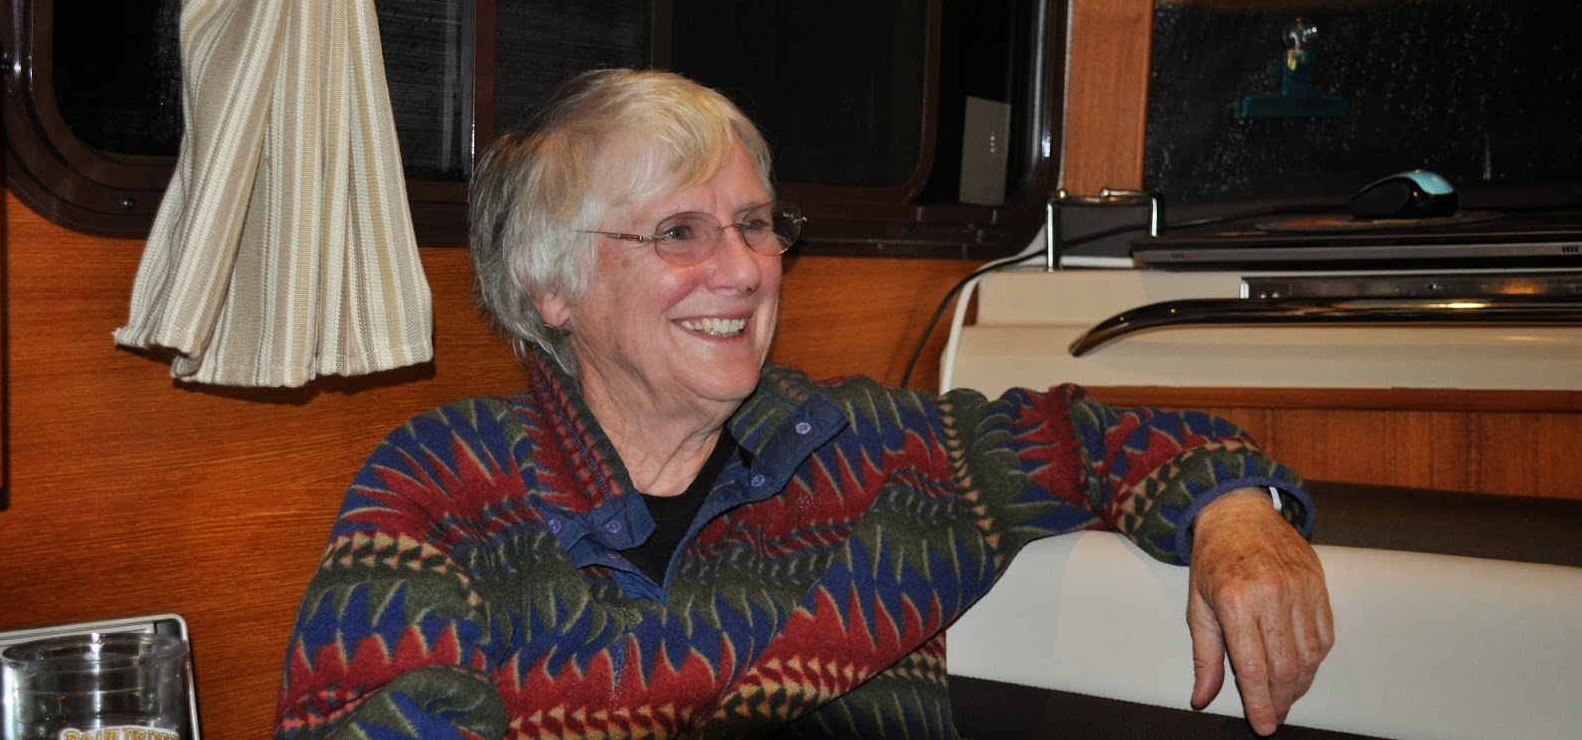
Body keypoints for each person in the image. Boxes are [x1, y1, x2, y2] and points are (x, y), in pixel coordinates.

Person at [275, 68, 1333, 739]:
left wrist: (1235, 515)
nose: (744, 270)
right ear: (550, 285)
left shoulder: (865, 444)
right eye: (680, 233)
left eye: (755, 224)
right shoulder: (444, 485)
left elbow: (1102, 437)